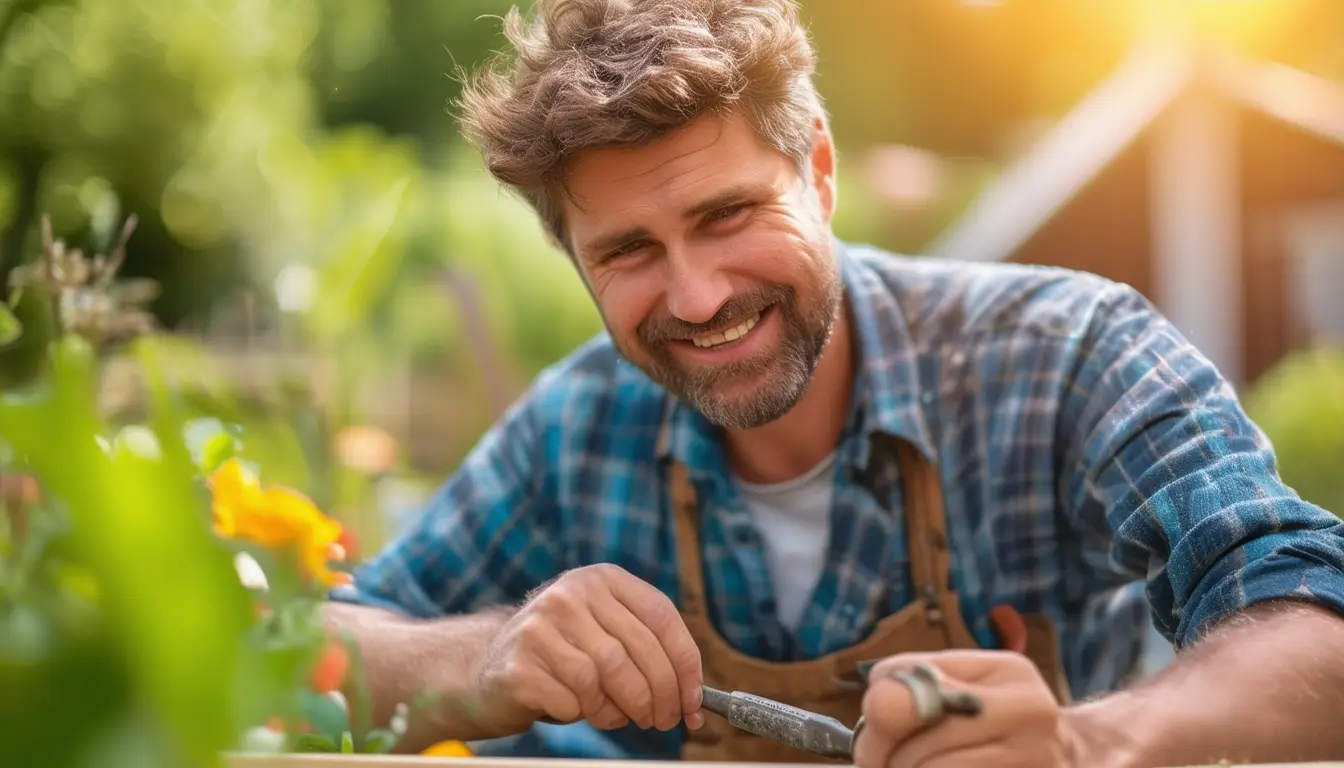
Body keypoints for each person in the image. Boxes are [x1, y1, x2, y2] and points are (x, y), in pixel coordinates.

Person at [323, 0, 1344, 764]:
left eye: (726, 216)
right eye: (629, 251)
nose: (695, 295)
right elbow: (302, 656)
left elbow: (1312, 618)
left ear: (817, 173)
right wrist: (480, 657)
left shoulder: (1068, 353)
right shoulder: (570, 433)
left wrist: (1092, 744)